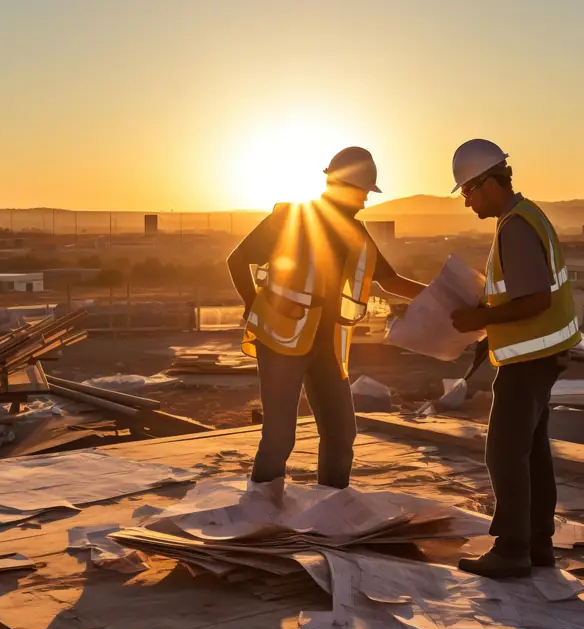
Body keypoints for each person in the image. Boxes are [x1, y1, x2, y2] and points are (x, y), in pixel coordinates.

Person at [227, 147, 425, 492]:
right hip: (280, 339)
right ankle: (262, 511)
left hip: (326, 345)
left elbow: (390, 281)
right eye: (363, 191)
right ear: (344, 185)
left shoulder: (356, 234)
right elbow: (236, 259)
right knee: (279, 437)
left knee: (340, 431)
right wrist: (251, 304)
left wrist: (441, 298)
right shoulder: (292, 217)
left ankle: (332, 505)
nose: (366, 200)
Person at [450, 138, 581, 578]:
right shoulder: (529, 217)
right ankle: (538, 543)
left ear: (489, 183)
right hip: (540, 355)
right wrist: (492, 329)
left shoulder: (515, 227)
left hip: (529, 361)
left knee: (504, 454)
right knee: (531, 452)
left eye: (468, 191)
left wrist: (478, 318)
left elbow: (535, 300)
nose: (467, 202)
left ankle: (511, 550)